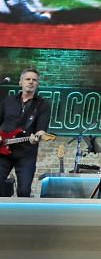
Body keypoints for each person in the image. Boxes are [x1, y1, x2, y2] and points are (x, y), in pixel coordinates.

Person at [0, 69, 51, 197]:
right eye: (27, 79)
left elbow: (41, 129)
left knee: (23, 191)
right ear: (20, 82)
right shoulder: (8, 101)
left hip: (26, 153)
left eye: (34, 80)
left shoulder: (42, 105)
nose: (31, 82)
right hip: (2, 151)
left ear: (37, 84)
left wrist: (37, 137)